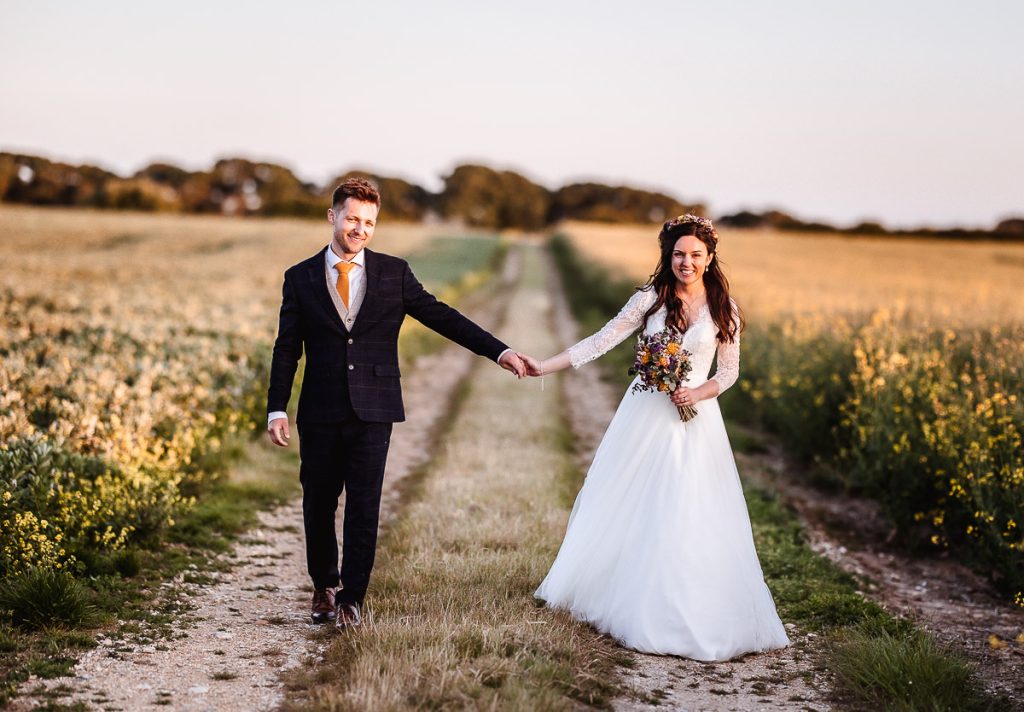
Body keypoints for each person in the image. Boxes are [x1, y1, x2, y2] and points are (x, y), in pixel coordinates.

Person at [519, 215, 789, 660]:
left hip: (697, 420)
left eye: (695, 255)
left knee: (689, 506)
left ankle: (690, 603)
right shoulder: (650, 300)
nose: (686, 262)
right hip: (645, 414)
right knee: (636, 500)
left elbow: (730, 371)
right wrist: (542, 366)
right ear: (669, 256)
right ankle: (629, 595)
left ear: (710, 257)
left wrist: (697, 392)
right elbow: (601, 341)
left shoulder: (725, 307)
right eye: (679, 254)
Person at [267, 178, 526, 628]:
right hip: (320, 410)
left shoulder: (394, 273)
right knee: (318, 502)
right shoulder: (300, 277)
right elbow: (287, 347)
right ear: (333, 217)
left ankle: (352, 599)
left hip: (375, 409)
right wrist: (276, 407)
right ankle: (324, 587)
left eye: (369, 222)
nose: (360, 229)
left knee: (365, 505)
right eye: (352, 219)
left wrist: (498, 351)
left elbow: (443, 316)